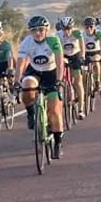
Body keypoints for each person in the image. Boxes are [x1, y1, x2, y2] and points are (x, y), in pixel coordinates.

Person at [16, 16, 66, 159]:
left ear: (46, 30)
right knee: (27, 86)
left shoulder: (53, 40)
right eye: (34, 30)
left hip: (51, 72)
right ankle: (31, 112)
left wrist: (59, 80)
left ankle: (57, 142)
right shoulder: (27, 42)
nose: (38, 33)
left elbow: (59, 61)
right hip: (35, 71)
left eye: (40, 30)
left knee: (55, 110)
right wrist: (16, 81)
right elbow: (21, 62)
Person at [56, 17, 86, 119]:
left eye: (69, 29)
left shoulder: (77, 33)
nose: (67, 31)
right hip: (63, 56)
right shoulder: (58, 35)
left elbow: (82, 46)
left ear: (72, 28)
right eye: (64, 29)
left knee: (78, 82)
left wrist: (82, 57)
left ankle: (81, 109)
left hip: (75, 55)